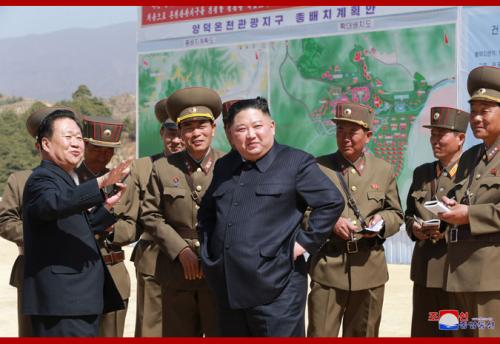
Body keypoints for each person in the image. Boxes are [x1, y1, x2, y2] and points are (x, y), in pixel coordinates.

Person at [198, 97, 345, 337]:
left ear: (272, 127)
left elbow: (331, 201)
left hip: (277, 290)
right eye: (242, 129)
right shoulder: (225, 165)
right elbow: (207, 214)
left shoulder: (295, 162)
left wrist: (304, 243)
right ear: (231, 135)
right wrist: (208, 254)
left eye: (257, 126)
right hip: (228, 289)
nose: (251, 135)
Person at [22, 109, 130, 337]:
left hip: (78, 300)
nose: (76, 144)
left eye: (79, 138)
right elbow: (52, 205)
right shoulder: (42, 178)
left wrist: (107, 206)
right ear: (46, 144)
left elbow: (79, 228)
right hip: (63, 302)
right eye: (68, 137)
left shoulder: (65, 179)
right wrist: (99, 184)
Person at [307, 102, 403, 337]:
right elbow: (304, 212)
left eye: (352, 132)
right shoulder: (318, 167)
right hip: (328, 268)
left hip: (369, 269)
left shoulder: (384, 170)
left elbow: (396, 214)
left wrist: (381, 221)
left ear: (368, 135)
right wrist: (330, 223)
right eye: (340, 131)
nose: (345, 138)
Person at [141, 86, 223, 337]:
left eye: (202, 125)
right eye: (188, 127)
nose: (195, 133)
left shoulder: (229, 164)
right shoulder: (163, 168)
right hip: (176, 273)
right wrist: (181, 251)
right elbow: (150, 215)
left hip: (217, 274)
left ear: (213, 129)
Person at [0, 105, 74, 337]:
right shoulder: (21, 180)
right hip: (35, 269)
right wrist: (39, 237)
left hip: (78, 272)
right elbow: (5, 220)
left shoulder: (86, 183)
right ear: (42, 145)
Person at [114, 98, 185, 337]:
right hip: (154, 260)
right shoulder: (142, 167)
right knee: (151, 329)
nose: (175, 141)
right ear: (161, 132)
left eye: (180, 133)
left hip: (195, 261)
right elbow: (127, 218)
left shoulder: (205, 167)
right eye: (170, 133)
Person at [439, 66, 500, 337]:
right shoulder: (470, 156)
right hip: (457, 274)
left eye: (484, 110)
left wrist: (470, 215)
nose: (475, 118)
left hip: (490, 279)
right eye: (473, 110)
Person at [405, 107, 469, 336]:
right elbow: (409, 212)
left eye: (441, 134)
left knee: (453, 332)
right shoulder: (422, 173)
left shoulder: (471, 174)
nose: (434, 140)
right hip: (424, 271)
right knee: (424, 331)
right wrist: (414, 227)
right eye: (432, 135)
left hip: (457, 272)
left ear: (460, 138)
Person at [75, 115, 131, 337]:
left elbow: (135, 225)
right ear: (85, 145)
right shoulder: (69, 181)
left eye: (109, 151)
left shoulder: (125, 182)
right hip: (75, 271)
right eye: (97, 149)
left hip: (113, 270)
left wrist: (113, 230)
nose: (103, 155)